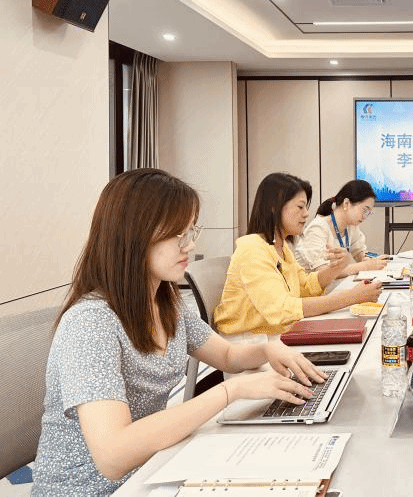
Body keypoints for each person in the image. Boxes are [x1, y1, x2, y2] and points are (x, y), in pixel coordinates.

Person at [32, 169, 326, 496]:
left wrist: (268, 350)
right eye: (178, 234)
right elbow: (113, 455)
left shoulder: (165, 302)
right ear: (133, 235)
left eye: (191, 231)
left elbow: (227, 355)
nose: (191, 244)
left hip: (152, 469)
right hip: (94, 490)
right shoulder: (91, 323)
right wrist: (231, 391)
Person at [214, 173, 382, 337]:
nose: (306, 214)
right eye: (300, 207)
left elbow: (306, 287)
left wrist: (335, 269)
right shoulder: (252, 249)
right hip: (248, 341)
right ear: (275, 208)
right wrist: (352, 297)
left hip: (274, 334)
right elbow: (282, 309)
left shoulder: (282, 248)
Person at [294, 179, 388, 277]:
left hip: (336, 284)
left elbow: (359, 251)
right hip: (311, 286)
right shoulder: (318, 228)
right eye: (364, 210)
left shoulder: (351, 226)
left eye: (368, 213)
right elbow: (323, 272)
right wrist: (365, 266)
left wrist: (367, 259)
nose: (365, 216)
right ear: (346, 203)